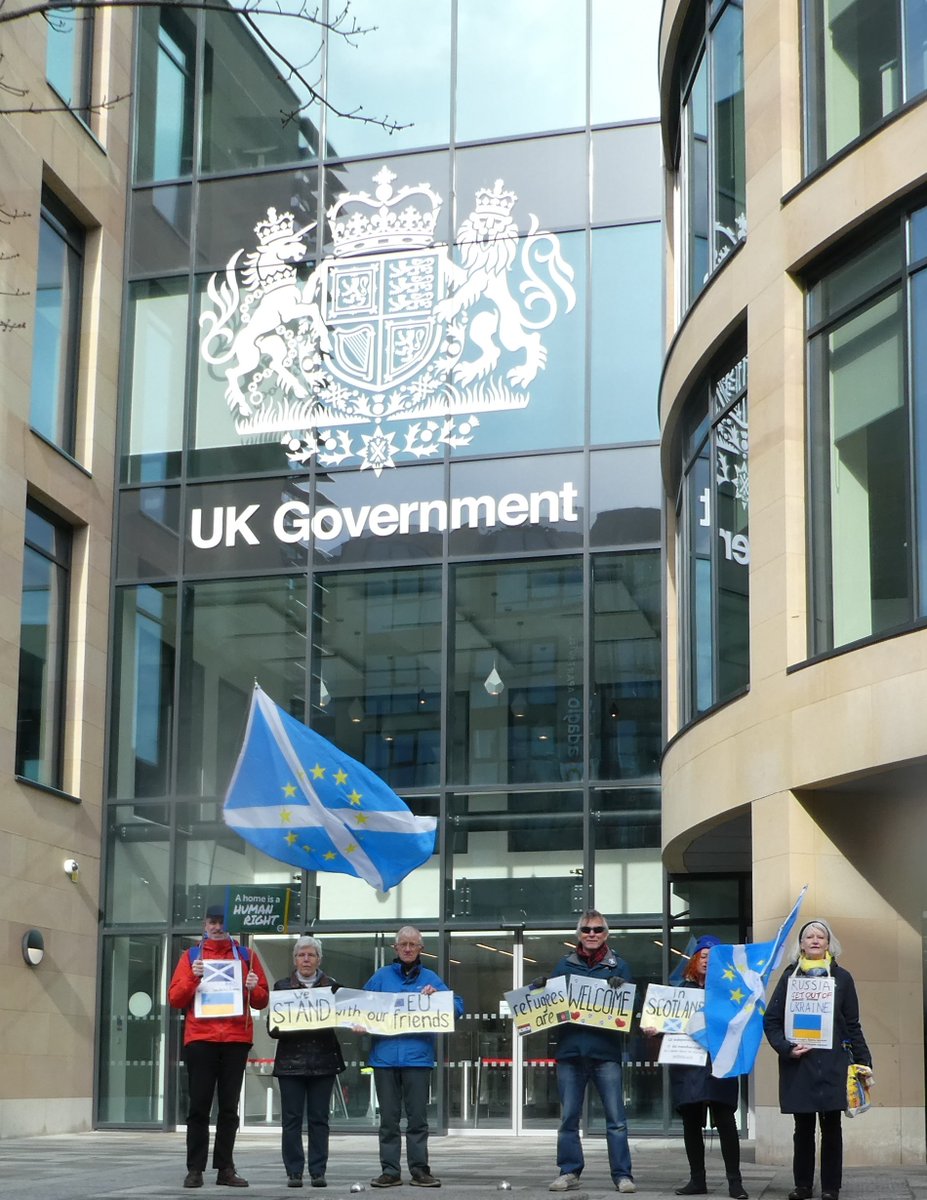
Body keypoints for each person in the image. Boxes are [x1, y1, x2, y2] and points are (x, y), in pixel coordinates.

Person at [763, 918, 872, 1200]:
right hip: (799, 1065)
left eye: (820, 937)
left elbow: (852, 1023)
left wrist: (864, 1061)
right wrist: (786, 1048)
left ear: (828, 943)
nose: (814, 940)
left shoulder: (843, 978)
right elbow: (772, 1021)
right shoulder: (790, 977)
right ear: (800, 944)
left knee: (832, 1128)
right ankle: (802, 1186)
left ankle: (831, 1188)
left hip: (834, 1063)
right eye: (808, 936)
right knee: (803, 1129)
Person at [168, 904, 270, 1189]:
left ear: (230, 925)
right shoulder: (191, 957)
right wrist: (193, 976)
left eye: (221, 922)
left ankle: (225, 1167)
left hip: (236, 1040)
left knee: (228, 1109)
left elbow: (262, 1000)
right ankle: (195, 1169)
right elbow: (175, 998)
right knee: (198, 1107)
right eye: (212, 922)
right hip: (201, 1039)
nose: (216, 927)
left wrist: (254, 987)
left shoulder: (246, 956)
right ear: (204, 924)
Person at [643, 936, 747, 1199]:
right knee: (691, 1123)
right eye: (703, 956)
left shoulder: (729, 992)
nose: (707, 960)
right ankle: (697, 1180)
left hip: (718, 1063)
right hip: (688, 1066)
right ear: (694, 960)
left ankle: (735, 1182)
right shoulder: (676, 992)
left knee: (725, 1120)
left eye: (713, 958)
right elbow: (665, 1027)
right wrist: (654, 1031)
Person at [364, 926, 465, 1189]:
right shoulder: (381, 977)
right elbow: (360, 1006)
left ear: (421, 949)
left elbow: (457, 1007)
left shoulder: (431, 978)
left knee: (418, 1119)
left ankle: (420, 1170)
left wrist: (439, 998)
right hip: (384, 1059)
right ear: (395, 948)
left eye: (413, 944)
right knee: (388, 1119)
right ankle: (390, 1171)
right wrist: (357, 1021)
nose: (408, 949)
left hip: (417, 1059)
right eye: (403, 944)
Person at [545, 910, 637, 1195]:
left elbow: (632, 1009)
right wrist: (539, 990)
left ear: (606, 934)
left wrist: (624, 993)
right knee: (568, 1118)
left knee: (616, 1120)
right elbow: (549, 1006)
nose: (592, 934)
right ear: (579, 935)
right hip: (571, 1053)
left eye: (597, 929)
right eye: (586, 930)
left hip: (605, 1054)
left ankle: (622, 1175)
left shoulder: (619, 967)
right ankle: (569, 1171)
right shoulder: (564, 965)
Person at [270, 935, 346, 1189]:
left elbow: (344, 1017)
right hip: (290, 1063)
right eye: (301, 955)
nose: (306, 959)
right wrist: (289, 1021)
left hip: (323, 1062)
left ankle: (317, 1171)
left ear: (319, 959)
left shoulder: (333, 986)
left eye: (310, 955)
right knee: (291, 1120)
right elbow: (273, 1028)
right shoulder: (281, 987)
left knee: (319, 1119)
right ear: (294, 959)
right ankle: (294, 1172)